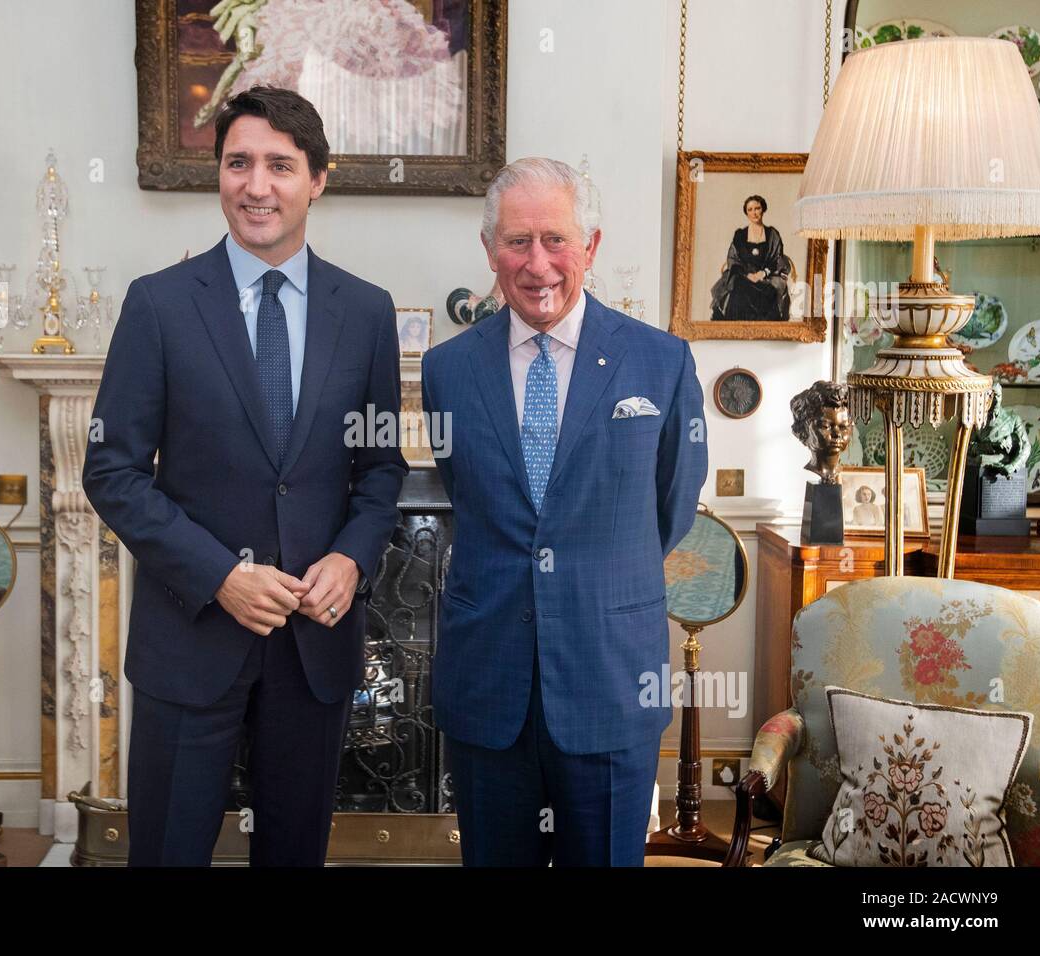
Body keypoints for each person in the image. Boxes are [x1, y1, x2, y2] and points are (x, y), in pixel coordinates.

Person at [82, 86, 407, 866]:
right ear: (219, 174)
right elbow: (112, 470)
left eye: (279, 165)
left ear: (318, 179)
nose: (256, 185)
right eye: (238, 163)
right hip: (190, 635)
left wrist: (352, 558)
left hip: (314, 643)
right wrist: (220, 574)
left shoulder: (366, 312)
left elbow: (381, 466)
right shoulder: (157, 305)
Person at [421, 157, 708, 866]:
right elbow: (471, 495)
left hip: (611, 680)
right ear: (490, 252)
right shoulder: (446, 370)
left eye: (556, 239)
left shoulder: (661, 362)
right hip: (490, 681)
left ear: (592, 247)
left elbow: (669, 506)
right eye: (517, 242)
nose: (537, 262)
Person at [709, 194, 791, 322]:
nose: (754, 213)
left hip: (767, 277)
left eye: (757, 208)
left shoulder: (772, 234)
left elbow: (777, 259)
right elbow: (733, 259)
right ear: (746, 213)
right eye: (750, 210)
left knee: (769, 293)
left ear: (763, 209)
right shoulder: (740, 235)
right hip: (743, 275)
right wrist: (747, 275)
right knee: (738, 288)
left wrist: (763, 273)